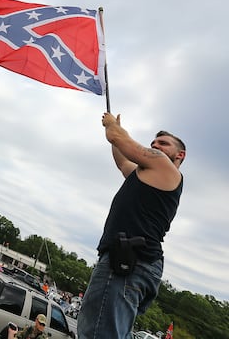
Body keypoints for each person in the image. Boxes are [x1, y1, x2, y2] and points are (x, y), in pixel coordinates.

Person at [77, 113, 186, 338]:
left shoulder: (163, 164)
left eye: (163, 143)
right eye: (153, 143)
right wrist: (114, 134)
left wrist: (113, 128)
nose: (155, 146)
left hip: (129, 262)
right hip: (134, 263)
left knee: (98, 332)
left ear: (180, 155)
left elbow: (121, 140)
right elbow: (123, 161)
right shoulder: (147, 175)